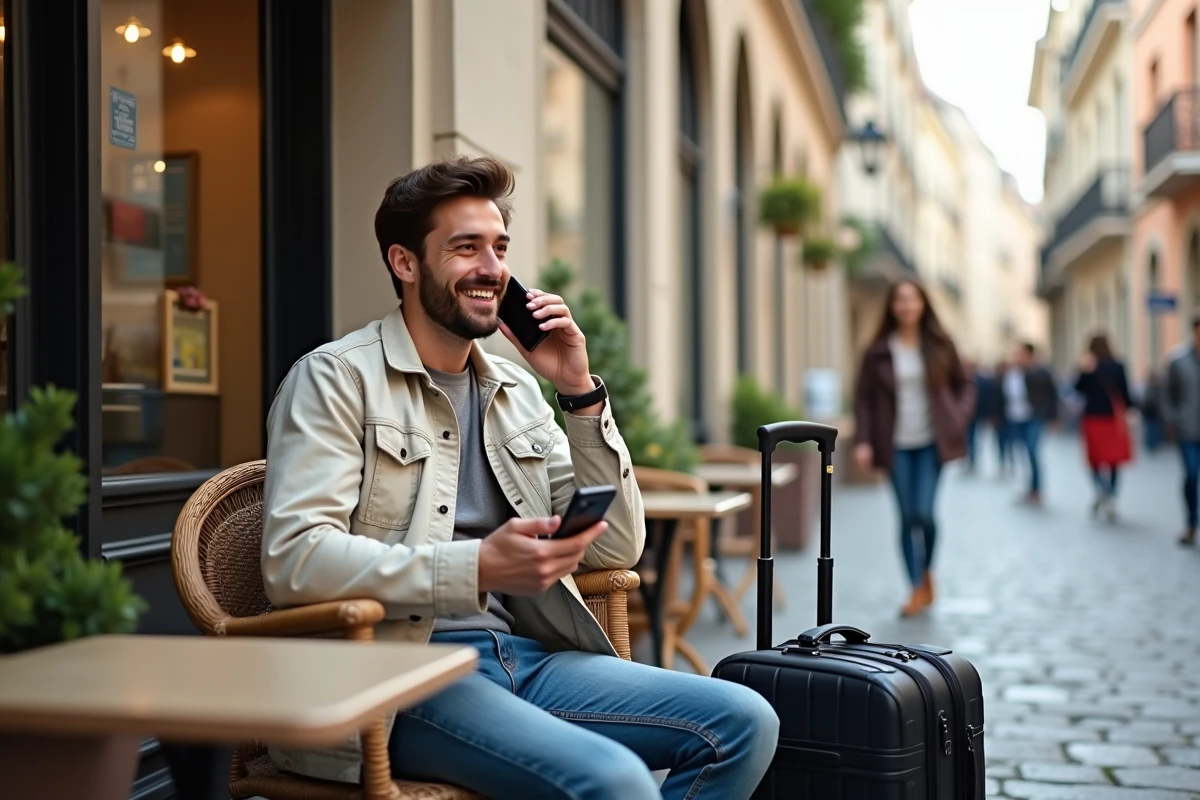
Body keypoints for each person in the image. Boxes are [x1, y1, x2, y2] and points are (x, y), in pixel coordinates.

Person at [260, 156, 779, 799]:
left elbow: (616, 549)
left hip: (527, 659)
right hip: (397, 674)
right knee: (614, 780)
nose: (491, 268)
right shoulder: (336, 379)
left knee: (744, 720)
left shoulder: (518, 389)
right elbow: (294, 560)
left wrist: (579, 393)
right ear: (404, 262)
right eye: (465, 248)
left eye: (499, 247)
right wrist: (475, 567)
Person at [853, 279, 976, 617]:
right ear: (892, 307)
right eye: (900, 300)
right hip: (894, 444)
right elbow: (862, 399)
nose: (906, 305)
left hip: (930, 443)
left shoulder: (940, 344)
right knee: (906, 516)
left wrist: (958, 417)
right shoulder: (877, 350)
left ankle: (926, 573)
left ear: (923, 304)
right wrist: (863, 440)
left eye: (912, 299)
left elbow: (965, 386)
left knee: (924, 513)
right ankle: (915, 586)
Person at [1073, 333, 1134, 521]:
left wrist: (1085, 371)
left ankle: (1102, 491)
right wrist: (1130, 411)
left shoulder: (1090, 366)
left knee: (1096, 459)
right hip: (1112, 419)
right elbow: (1125, 392)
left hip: (1093, 417)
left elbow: (1078, 389)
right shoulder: (1118, 365)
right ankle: (1111, 494)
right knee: (1113, 459)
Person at [998, 343, 1059, 505]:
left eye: (1021, 354)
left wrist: (1053, 418)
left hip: (1034, 417)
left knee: (1032, 450)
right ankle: (1030, 487)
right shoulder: (1011, 374)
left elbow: (1052, 395)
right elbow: (1004, 395)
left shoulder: (1040, 372)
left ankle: (1036, 489)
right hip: (1015, 418)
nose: (1018, 357)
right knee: (1023, 452)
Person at [1162, 312, 1200, 546]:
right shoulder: (1178, 360)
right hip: (1187, 429)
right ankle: (1190, 523)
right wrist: (1172, 418)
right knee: (1191, 475)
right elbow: (1166, 393)